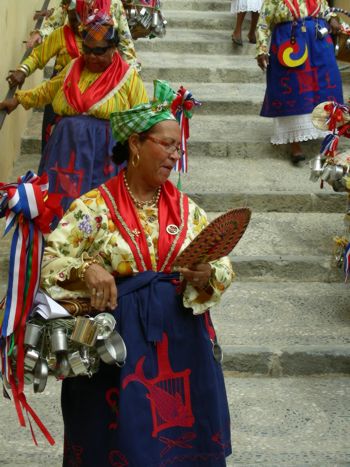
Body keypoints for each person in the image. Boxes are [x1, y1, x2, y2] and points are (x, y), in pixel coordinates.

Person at [40, 80, 235, 466]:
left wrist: (205, 274)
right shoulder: (94, 207)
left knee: (182, 446)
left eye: (177, 147)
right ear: (135, 144)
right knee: (114, 441)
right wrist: (88, 269)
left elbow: (223, 264)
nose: (173, 156)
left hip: (182, 346)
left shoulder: (187, 210)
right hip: (115, 349)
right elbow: (50, 264)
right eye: (165, 145)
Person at [0, 13, 148, 217]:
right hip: (65, 151)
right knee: (61, 208)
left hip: (105, 155)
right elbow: (48, 89)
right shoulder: (73, 68)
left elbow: (143, 117)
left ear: (114, 50)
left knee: (100, 208)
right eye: (87, 50)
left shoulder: (128, 77)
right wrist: (17, 100)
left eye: (99, 51)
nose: (92, 56)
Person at [256, 0, 344, 164]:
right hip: (290, 45)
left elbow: (325, 10)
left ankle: (328, 140)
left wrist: (332, 18)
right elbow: (263, 24)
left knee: (326, 86)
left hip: (319, 43)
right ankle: (294, 143)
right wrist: (262, 49)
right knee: (293, 90)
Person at [6, 0, 83, 154]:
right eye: (73, 19)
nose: (78, 24)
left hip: (85, 109)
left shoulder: (98, 40)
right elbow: (38, 57)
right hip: (59, 98)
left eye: (81, 17)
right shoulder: (61, 34)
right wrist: (23, 70)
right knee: (51, 151)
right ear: (67, 14)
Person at [26, 0, 140, 71]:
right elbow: (54, 22)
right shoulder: (70, 1)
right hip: (67, 67)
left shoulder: (115, 4)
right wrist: (41, 34)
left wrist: (132, 71)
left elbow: (125, 41)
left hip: (100, 69)